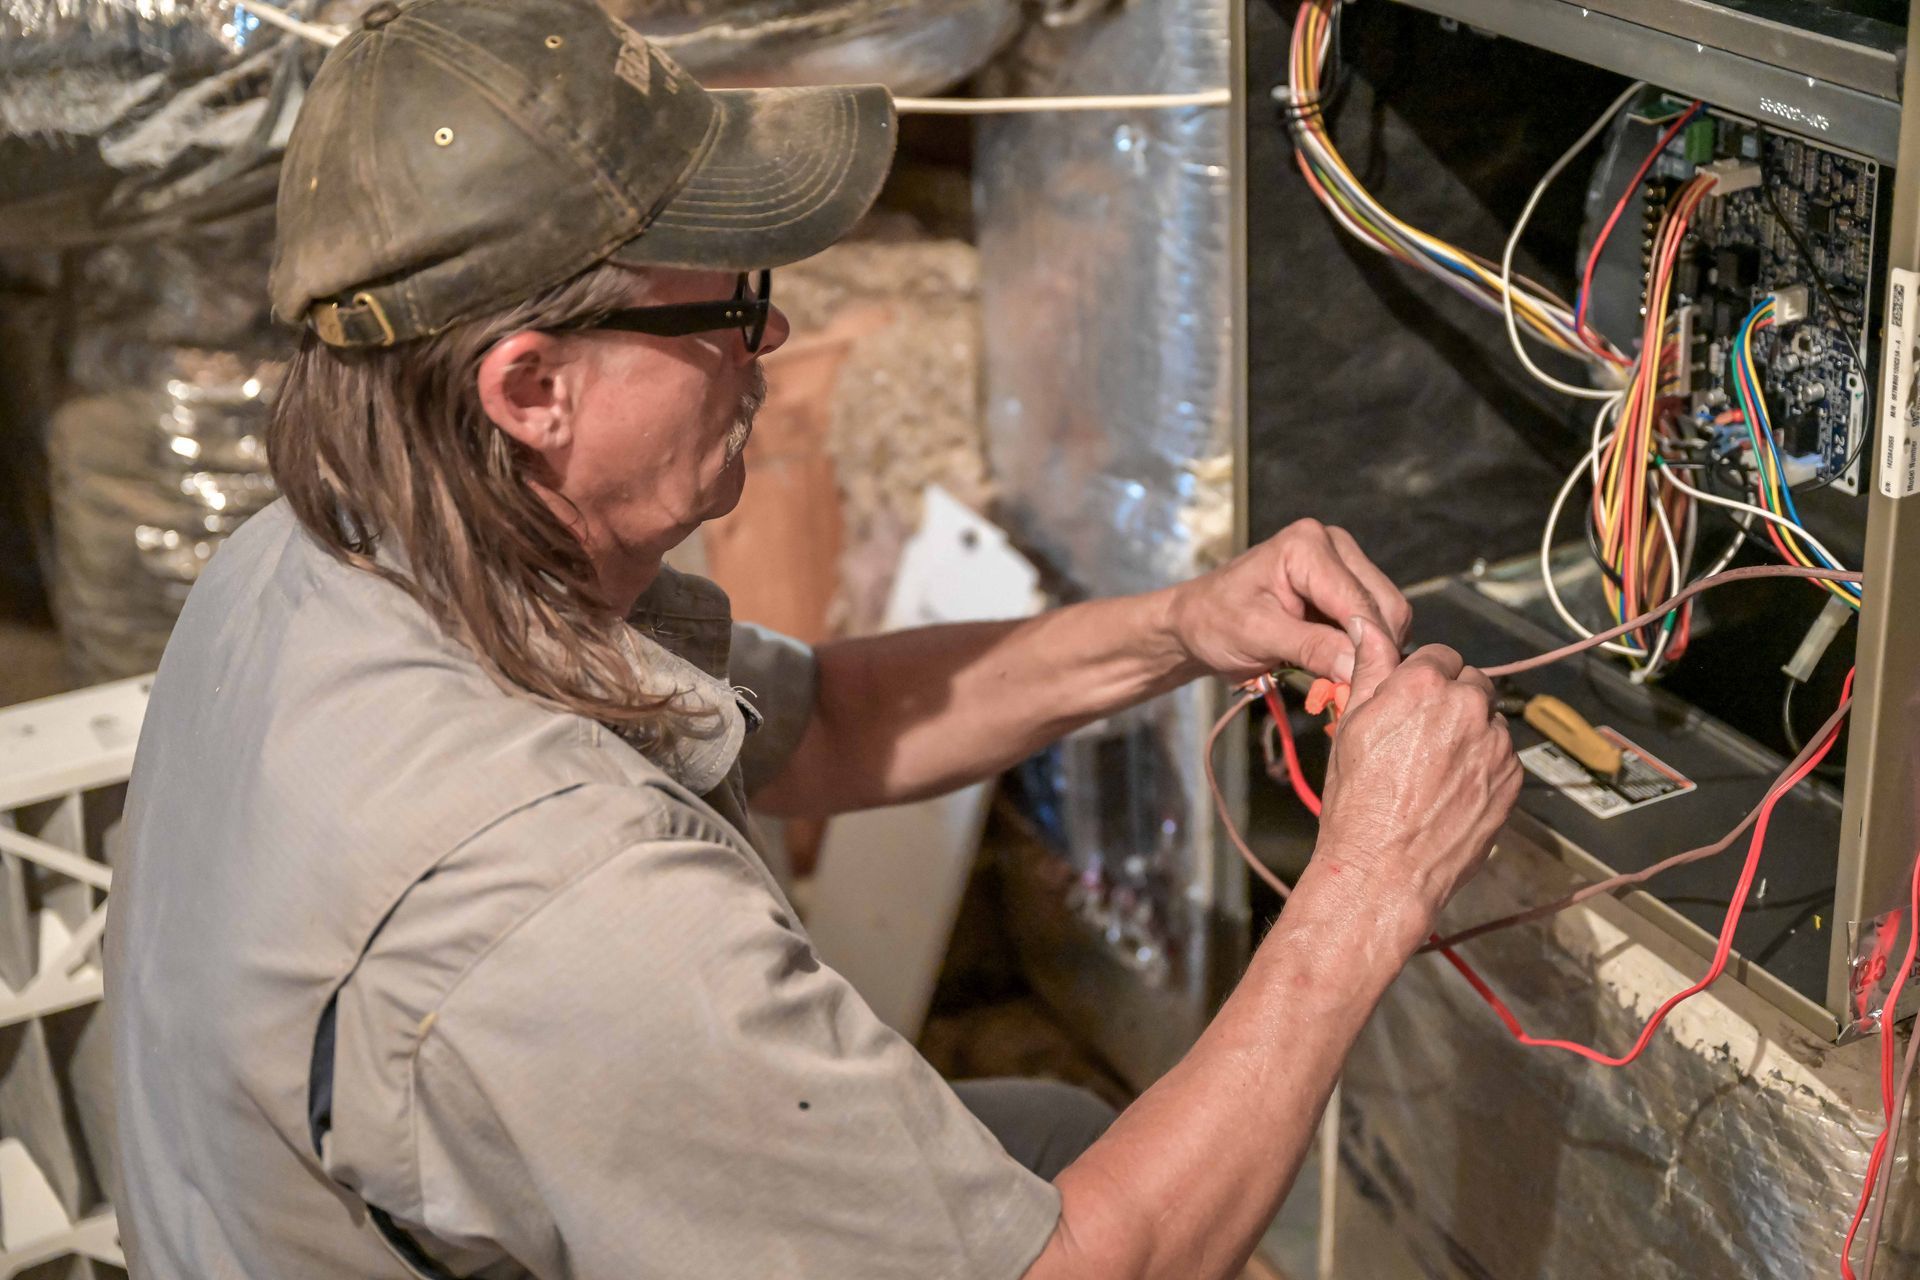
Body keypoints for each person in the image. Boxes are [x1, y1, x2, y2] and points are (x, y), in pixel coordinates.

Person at [104, 1, 1522, 1277]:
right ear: (531, 387)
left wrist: (1180, 625)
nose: (766, 343)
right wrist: (1369, 890)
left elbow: (830, 723)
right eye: (728, 302)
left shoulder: (333, 549)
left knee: (1042, 1124)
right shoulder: (571, 909)